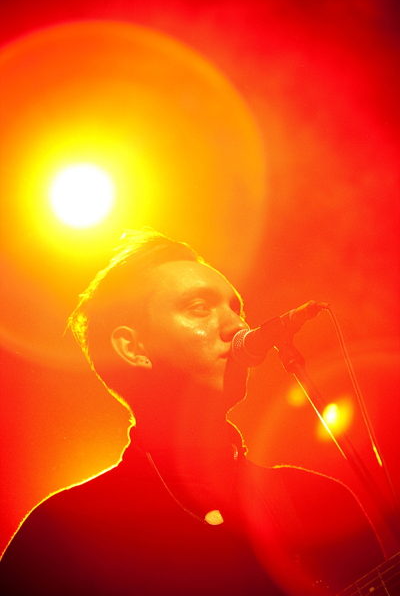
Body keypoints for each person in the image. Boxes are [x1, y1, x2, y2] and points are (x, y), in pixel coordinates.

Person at [0, 230, 385, 595]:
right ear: (134, 349)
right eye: (199, 308)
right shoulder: (57, 537)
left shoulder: (319, 502)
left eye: (236, 309)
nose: (237, 326)